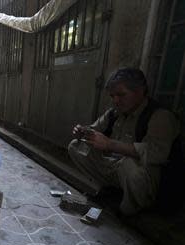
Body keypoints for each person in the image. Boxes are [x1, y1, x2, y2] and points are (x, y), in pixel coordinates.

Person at [68, 68, 181, 216]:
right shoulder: (114, 112)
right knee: (77, 147)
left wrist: (110, 144)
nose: (115, 100)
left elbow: (156, 154)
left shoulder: (160, 116)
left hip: (145, 180)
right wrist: (82, 132)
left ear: (140, 91)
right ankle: (110, 190)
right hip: (116, 168)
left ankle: (132, 210)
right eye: (112, 95)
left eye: (121, 95)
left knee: (128, 164)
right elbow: (94, 129)